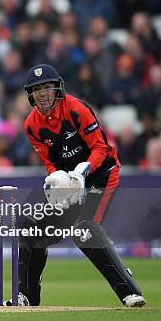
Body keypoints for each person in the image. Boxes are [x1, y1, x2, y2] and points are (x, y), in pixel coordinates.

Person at [15, 63, 146, 307]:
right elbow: (50, 163)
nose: (42, 94)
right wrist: (58, 181)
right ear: (30, 95)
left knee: (84, 229)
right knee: (30, 227)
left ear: (57, 88)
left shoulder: (77, 109)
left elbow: (100, 147)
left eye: (46, 88)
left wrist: (81, 172)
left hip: (101, 175)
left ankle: (128, 291)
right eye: (36, 90)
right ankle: (26, 298)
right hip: (69, 182)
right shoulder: (31, 125)